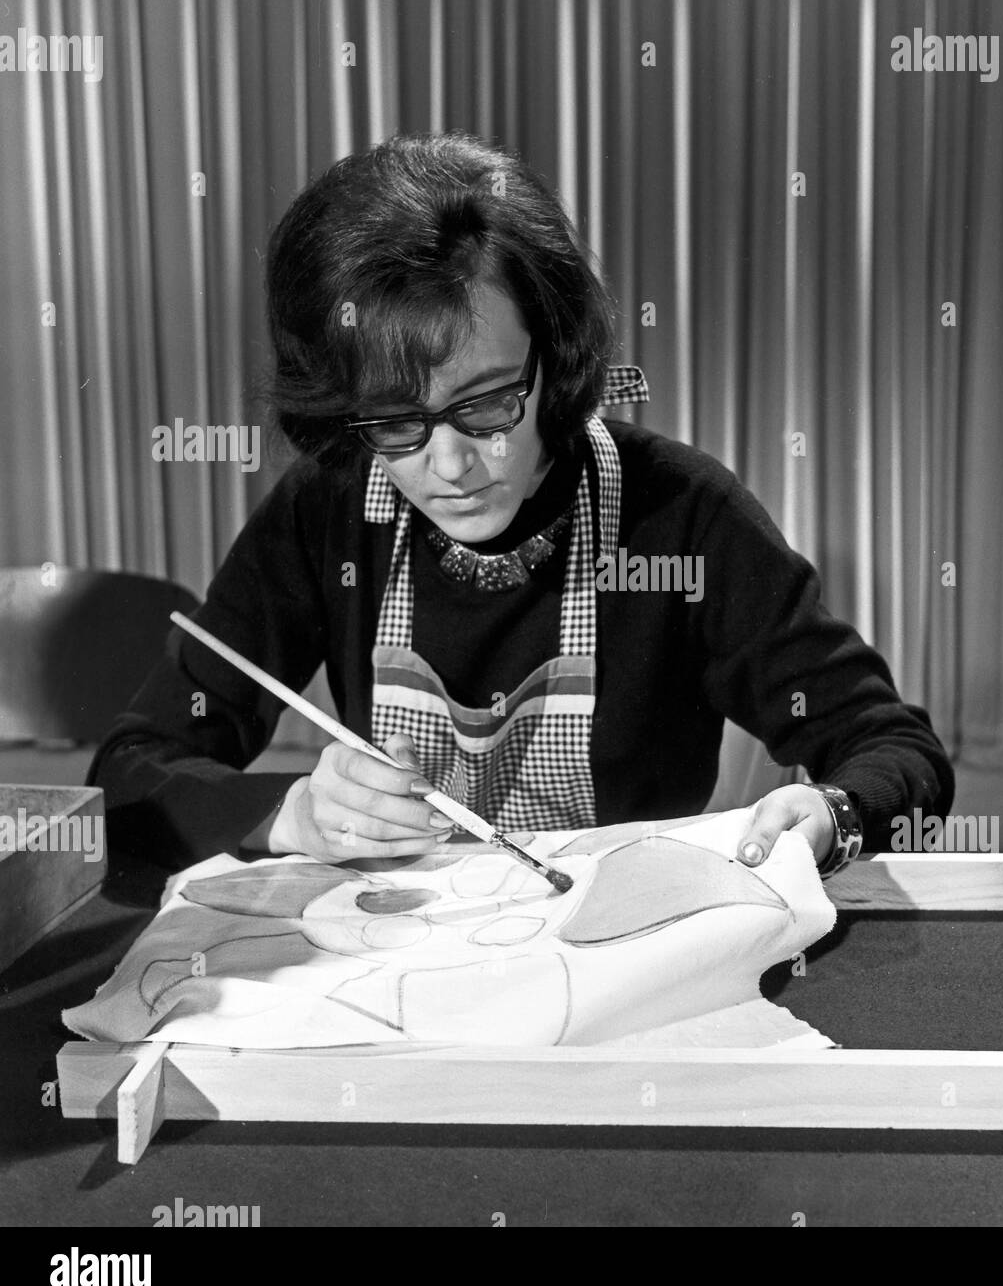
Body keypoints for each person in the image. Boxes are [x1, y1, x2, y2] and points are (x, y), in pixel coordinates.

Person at [91, 131, 954, 877]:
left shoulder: (677, 514)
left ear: (558, 357)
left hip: (633, 963)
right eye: (396, 421)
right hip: (402, 972)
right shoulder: (329, 512)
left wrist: (834, 817)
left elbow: (895, 751)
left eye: (486, 403)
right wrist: (286, 816)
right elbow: (128, 771)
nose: (452, 464)